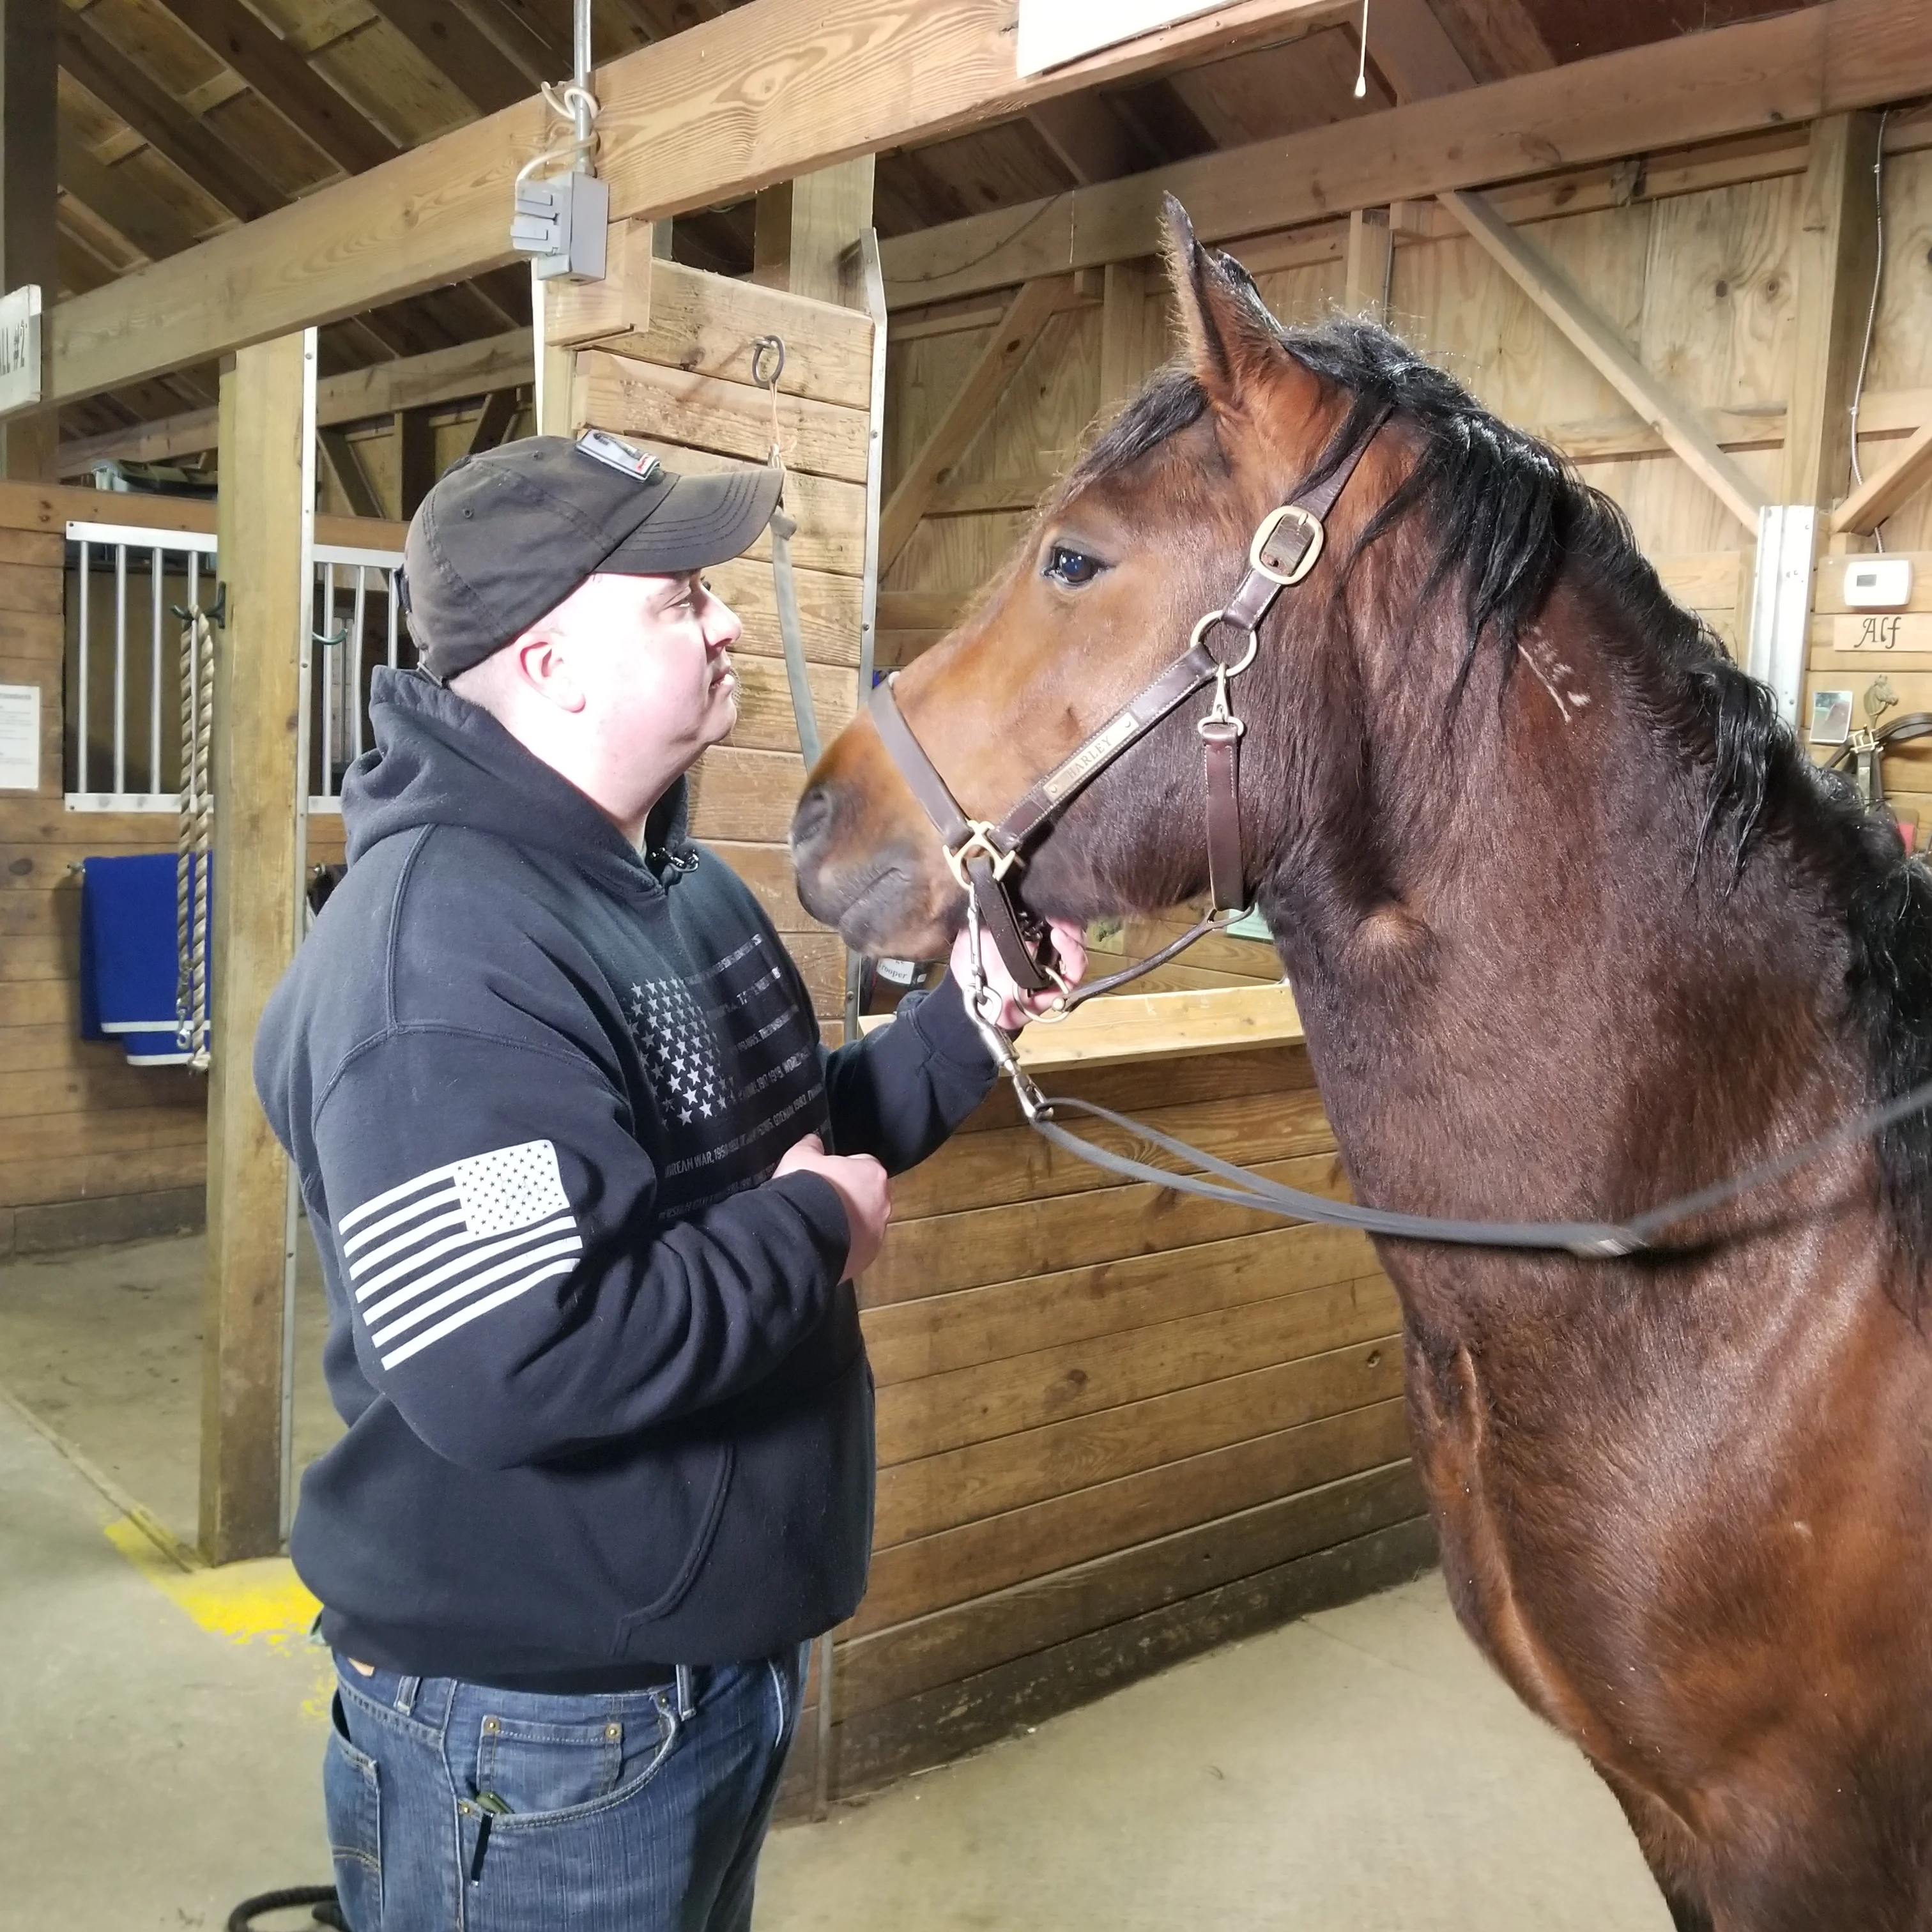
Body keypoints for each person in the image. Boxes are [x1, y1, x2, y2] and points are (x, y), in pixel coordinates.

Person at [254, 432, 1084, 1932]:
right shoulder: (440, 959)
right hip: (545, 1722)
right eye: (679, 596)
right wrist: (814, 1230)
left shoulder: (665, 881)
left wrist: (967, 1014)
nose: (723, 622)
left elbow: (787, 1137)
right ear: (554, 659)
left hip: (700, 1664)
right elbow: (515, 1359)